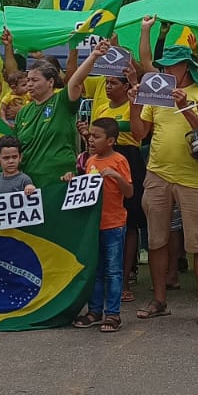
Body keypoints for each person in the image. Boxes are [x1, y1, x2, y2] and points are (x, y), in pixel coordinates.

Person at [131, 17, 198, 326]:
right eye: (164, 66)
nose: (165, 70)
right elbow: (140, 133)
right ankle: (159, 300)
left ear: (186, 67)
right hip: (157, 174)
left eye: (171, 66)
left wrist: (185, 108)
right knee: (156, 240)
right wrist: (134, 105)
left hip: (193, 178)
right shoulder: (157, 92)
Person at [69, 118, 133, 333]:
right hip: (93, 225)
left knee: (113, 271)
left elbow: (129, 192)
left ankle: (113, 313)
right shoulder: (89, 161)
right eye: (90, 135)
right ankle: (94, 311)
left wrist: (116, 176)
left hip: (114, 224)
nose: (90, 139)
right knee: (95, 270)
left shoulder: (119, 160)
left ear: (111, 141)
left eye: (96, 136)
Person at [10, 43, 104, 189]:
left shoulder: (62, 101)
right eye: (28, 80)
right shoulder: (23, 112)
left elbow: (76, 81)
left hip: (61, 180)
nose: (29, 84)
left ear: (50, 82)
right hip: (30, 185)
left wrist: (93, 56)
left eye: (34, 80)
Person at [89, 67, 147, 301]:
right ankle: (105, 277)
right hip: (103, 160)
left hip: (128, 159)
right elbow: (94, 137)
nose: (108, 86)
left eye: (113, 83)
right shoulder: (102, 108)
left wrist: (134, 95)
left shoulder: (134, 103)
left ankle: (124, 278)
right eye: (106, 82)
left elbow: (138, 132)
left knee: (130, 220)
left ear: (125, 86)